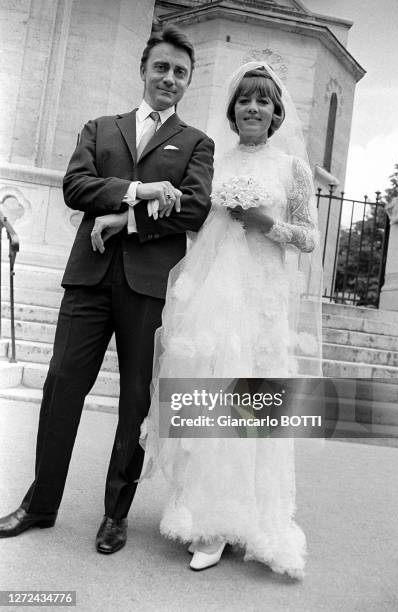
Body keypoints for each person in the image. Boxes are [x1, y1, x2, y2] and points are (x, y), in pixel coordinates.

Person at [0, 25, 214, 555]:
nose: (169, 78)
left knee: (135, 400)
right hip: (88, 279)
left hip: (148, 288)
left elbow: (194, 207)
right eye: (161, 67)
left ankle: (115, 515)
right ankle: (40, 504)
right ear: (144, 69)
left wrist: (127, 221)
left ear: (188, 82)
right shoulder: (100, 128)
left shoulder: (196, 143)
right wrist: (140, 192)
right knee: (61, 386)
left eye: (180, 72)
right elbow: (77, 187)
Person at [139, 61, 323, 579]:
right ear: (233, 107)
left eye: (263, 101)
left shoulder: (292, 169)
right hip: (216, 297)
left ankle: (250, 517)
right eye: (245, 99)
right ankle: (209, 520)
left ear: (277, 111)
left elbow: (309, 238)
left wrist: (270, 226)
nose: (253, 108)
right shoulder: (212, 160)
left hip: (261, 301)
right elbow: (192, 220)